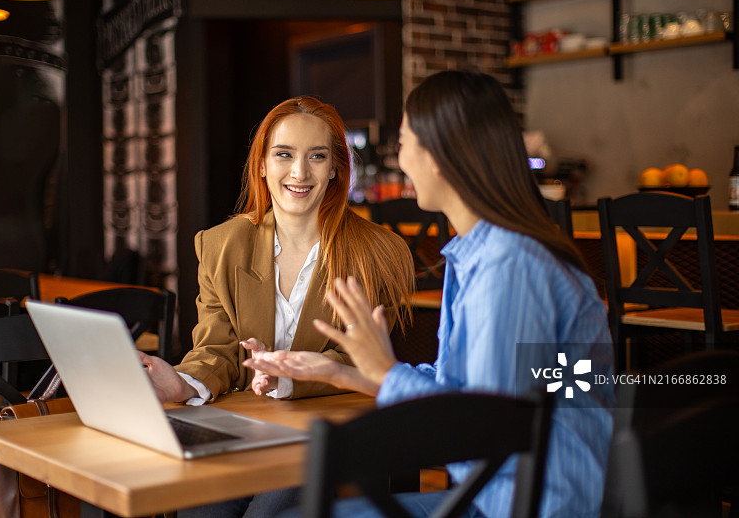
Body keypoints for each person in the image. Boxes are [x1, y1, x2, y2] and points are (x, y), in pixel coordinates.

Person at [245, 70, 615, 518]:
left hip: (528, 506)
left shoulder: (509, 265)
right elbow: (461, 387)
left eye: (403, 144)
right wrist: (343, 374)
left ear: (438, 154)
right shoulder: (483, 253)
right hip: (497, 497)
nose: (400, 162)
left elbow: (479, 425)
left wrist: (384, 369)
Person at [138, 95, 415, 518]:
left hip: (334, 436)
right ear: (262, 164)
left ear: (336, 167)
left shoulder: (380, 252)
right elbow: (218, 349)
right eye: (284, 155)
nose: (299, 172)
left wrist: (288, 379)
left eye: (317, 157)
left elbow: (359, 358)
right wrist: (183, 383)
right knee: (201, 504)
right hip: (247, 432)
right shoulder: (220, 245)